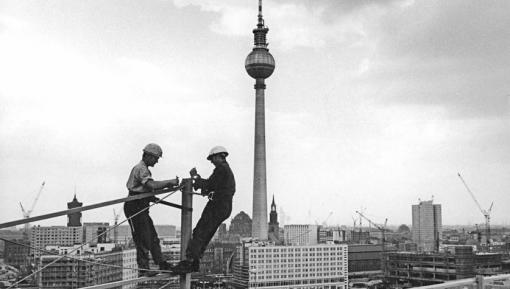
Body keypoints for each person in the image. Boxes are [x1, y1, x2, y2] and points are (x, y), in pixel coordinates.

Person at [172, 146, 236, 274]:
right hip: (223, 207)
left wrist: (196, 178)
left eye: (212, 158)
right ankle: (195, 261)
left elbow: (208, 185)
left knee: (200, 232)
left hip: (217, 206)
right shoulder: (225, 170)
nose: (211, 161)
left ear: (219, 157)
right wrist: (200, 182)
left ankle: (189, 262)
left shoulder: (221, 169)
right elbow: (210, 185)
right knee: (206, 233)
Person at [124, 143, 179, 277]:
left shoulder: (143, 168)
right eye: (155, 158)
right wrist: (169, 182)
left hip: (140, 205)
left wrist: (152, 196)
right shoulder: (141, 169)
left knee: (152, 238)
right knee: (142, 238)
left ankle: (162, 264)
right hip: (134, 206)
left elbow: (146, 188)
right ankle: (144, 268)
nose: (157, 161)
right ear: (148, 156)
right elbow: (151, 185)